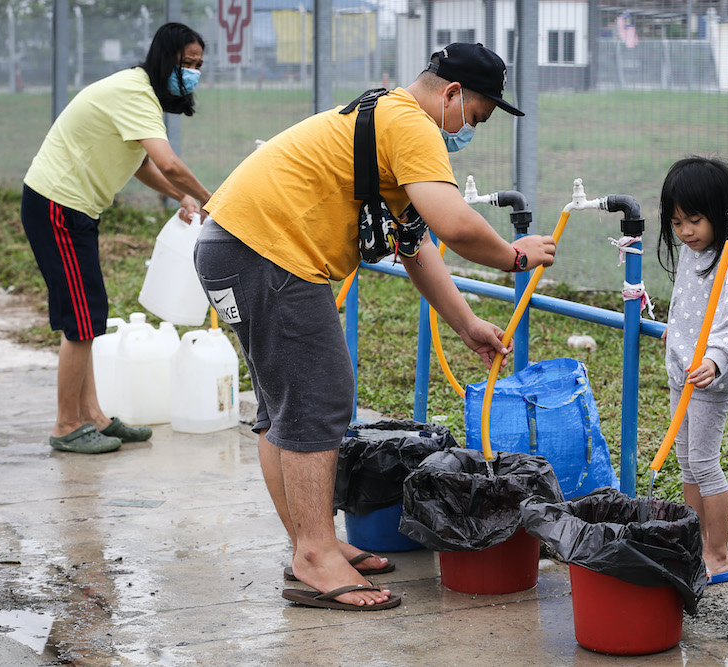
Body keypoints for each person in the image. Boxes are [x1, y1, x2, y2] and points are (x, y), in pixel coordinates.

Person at [195, 43, 557, 611]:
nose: (470, 132)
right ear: (453, 94)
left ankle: (311, 546)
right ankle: (314, 556)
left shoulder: (384, 115)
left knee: (285, 410)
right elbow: (455, 225)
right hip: (267, 252)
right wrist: (515, 256)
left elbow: (415, 246)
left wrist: (465, 324)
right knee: (319, 398)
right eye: (477, 118)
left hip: (236, 245)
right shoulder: (412, 122)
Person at [20, 22, 213, 455]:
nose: (193, 73)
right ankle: (67, 424)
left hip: (73, 209)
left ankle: (94, 417)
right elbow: (169, 162)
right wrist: (210, 198)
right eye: (187, 63)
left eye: (199, 65)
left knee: (86, 316)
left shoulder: (138, 93)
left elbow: (143, 164)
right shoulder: (136, 92)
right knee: (81, 317)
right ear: (166, 58)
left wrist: (180, 196)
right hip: (58, 206)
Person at [656, 156, 728, 584]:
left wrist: (713, 359)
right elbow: (688, 307)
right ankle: (693, 544)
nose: (686, 231)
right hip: (683, 372)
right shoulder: (693, 255)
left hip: (708, 379)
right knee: (686, 463)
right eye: (677, 223)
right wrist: (674, 334)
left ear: (720, 214)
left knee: (705, 463)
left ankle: (719, 554)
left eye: (694, 219)